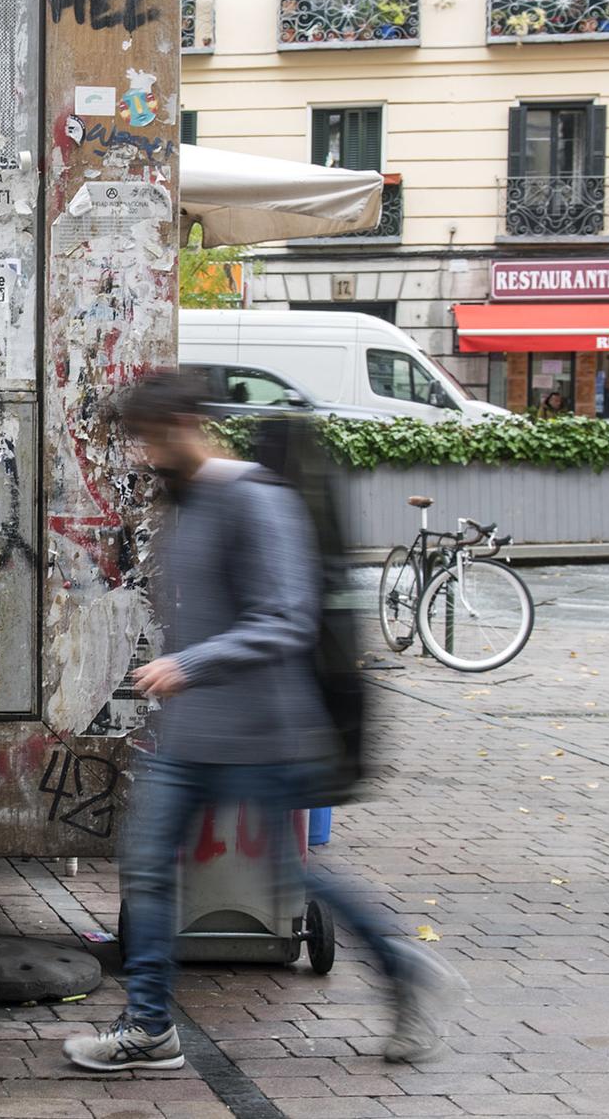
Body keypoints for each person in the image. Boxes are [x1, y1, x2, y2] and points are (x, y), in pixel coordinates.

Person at [63, 370, 463, 1073]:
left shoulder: (254, 499)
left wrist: (191, 666)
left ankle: (402, 969)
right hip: (191, 735)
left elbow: (285, 618)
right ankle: (151, 1027)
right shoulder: (188, 500)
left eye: (151, 438)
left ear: (186, 426)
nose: (143, 454)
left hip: (262, 733)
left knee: (298, 881)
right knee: (151, 870)